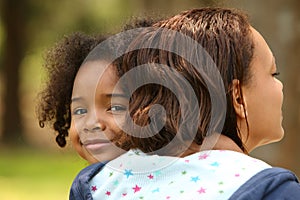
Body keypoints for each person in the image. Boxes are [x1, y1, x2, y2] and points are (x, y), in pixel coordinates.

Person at [70, 7, 300, 199]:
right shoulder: (271, 189)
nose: (280, 85)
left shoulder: (98, 182)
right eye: (274, 74)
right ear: (238, 97)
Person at [36, 18, 157, 164]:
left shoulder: (172, 182)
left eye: (115, 107)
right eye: (80, 111)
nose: (92, 123)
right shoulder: (90, 184)